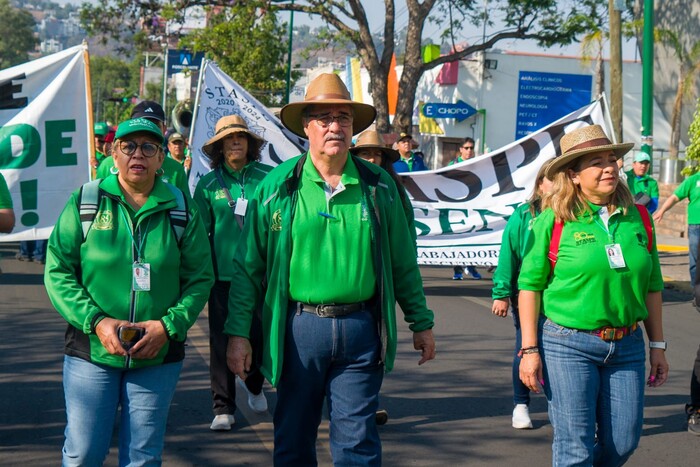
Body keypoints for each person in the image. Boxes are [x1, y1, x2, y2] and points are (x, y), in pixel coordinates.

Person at [225, 73, 436, 466]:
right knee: (293, 440)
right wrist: (238, 334)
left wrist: (420, 322)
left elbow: (403, 261)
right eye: (323, 118)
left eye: (343, 118)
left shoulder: (379, 187)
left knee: (358, 444)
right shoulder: (276, 186)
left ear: (354, 128)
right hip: (298, 330)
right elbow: (248, 268)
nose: (334, 126)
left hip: (361, 331)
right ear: (306, 127)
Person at [44, 117, 214, 465]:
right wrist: (96, 321)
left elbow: (200, 277)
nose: (138, 154)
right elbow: (57, 269)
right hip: (91, 351)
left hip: (157, 355)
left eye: (149, 147)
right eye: (128, 146)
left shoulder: (181, 209)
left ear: (161, 157)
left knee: (143, 457)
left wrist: (167, 326)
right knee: (83, 454)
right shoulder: (86, 201)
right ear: (113, 152)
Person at [518, 124, 669, 466]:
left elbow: (653, 286)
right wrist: (529, 350)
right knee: (575, 447)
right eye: (596, 162)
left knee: (623, 443)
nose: (609, 167)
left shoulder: (640, 218)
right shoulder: (554, 221)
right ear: (572, 175)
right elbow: (529, 286)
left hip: (628, 346)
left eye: (612, 159)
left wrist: (657, 346)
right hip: (567, 343)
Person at [194, 115, 272, 431]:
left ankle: (254, 383)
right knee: (221, 341)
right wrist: (200, 277)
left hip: (263, 277)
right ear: (219, 147)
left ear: (250, 144)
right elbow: (198, 237)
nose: (235, 142)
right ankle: (223, 406)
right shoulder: (208, 184)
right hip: (223, 280)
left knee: (260, 338)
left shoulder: (269, 177)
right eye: (228, 139)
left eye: (240, 137)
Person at [350, 129, 416, 426]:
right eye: (365, 153)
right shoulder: (347, 185)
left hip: (384, 280)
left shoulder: (393, 189)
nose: (372, 158)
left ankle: (369, 400)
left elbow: (406, 235)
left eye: (377, 153)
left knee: (378, 341)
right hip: (354, 282)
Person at [491, 161, 553, 429]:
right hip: (528, 298)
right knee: (526, 348)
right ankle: (521, 403)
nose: (558, 185)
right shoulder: (524, 215)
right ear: (540, 184)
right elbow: (509, 254)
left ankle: (561, 407)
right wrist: (502, 293)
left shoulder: (575, 214)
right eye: (552, 179)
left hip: (562, 298)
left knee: (562, 356)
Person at [96, 101, 190, 197]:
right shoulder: (106, 166)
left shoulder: (177, 170)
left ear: (164, 129)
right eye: (141, 124)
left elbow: (187, 208)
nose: (148, 128)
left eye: (155, 125)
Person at [653, 168, 700, 284]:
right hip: (695, 226)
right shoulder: (693, 180)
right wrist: (662, 211)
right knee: (695, 259)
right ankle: (696, 292)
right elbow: (675, 197)